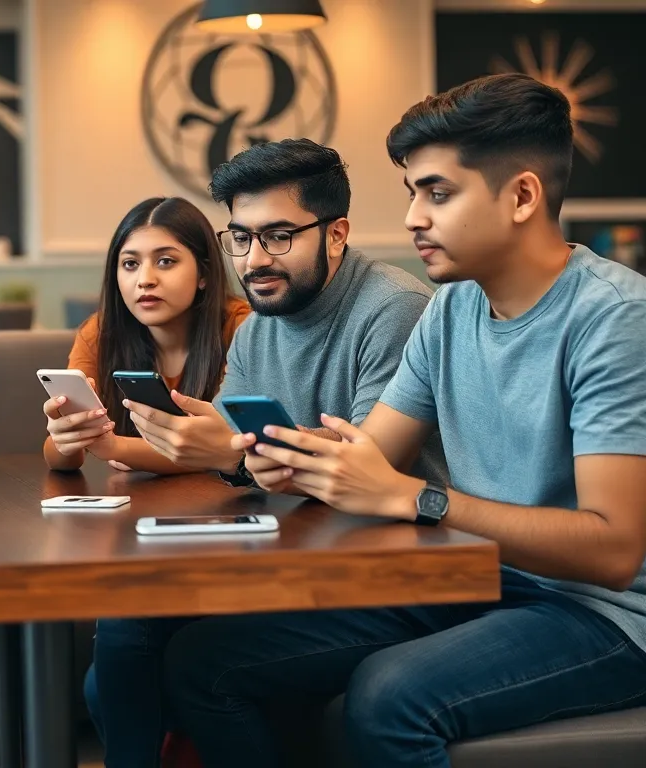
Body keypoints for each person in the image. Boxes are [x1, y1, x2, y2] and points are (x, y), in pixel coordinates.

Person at [164, 73, 646, 768]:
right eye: (411, 193)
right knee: (205, 661)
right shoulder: (452, 307)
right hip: (478, 578)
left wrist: (419, 498)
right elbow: (370, 453)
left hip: (603, 615)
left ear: (522, 197)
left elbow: (613, 550)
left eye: (437, 193)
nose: (414, 217)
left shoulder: (614, 319)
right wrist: (280, 458)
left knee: (388, 696)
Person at [80, 141, 444, 766]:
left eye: (278, 237)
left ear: (337, 234)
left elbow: (368, 461)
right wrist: (200, 438)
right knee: (121, 635)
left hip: (386, 570)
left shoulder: (394, 308)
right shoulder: (257, 326)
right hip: (294, 558)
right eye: (242, 238)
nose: (254, 260)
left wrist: (227, 450)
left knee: (196, 667)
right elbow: (227, 437)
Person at [42, 196, 250, 477]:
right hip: (135, 500)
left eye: (165, 261)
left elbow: (228, 448)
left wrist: (117, 448)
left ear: (204, 273)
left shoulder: (243, 328)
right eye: (130, 264)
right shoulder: (99, 332)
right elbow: (59, 457)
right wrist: (65, 438)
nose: (145, 280)